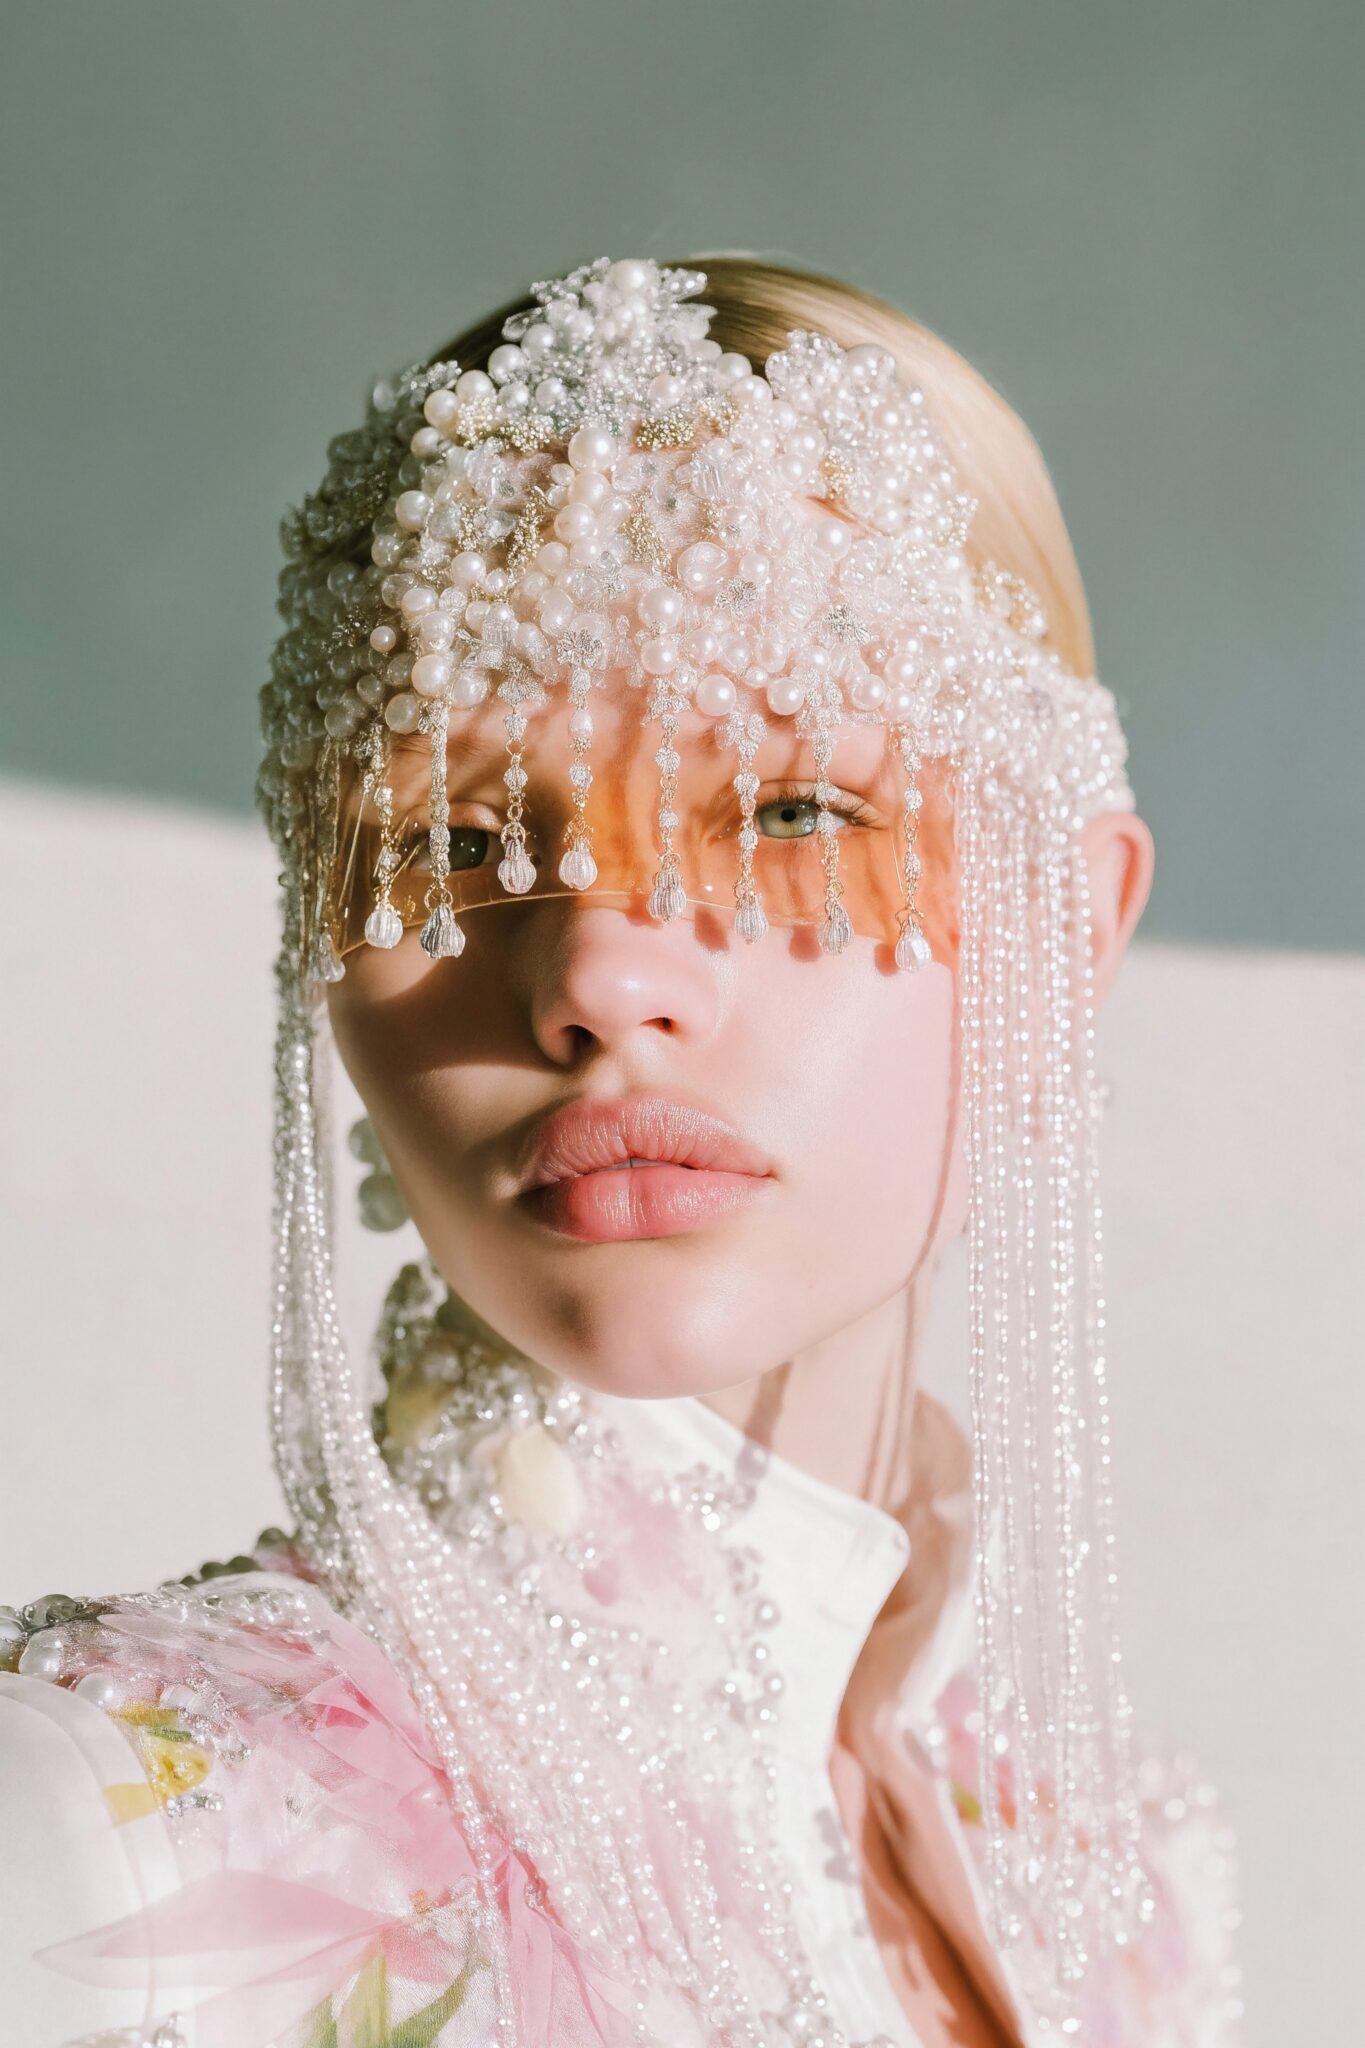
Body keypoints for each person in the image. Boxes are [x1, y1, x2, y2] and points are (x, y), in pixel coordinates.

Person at [0, 255, 1243, 2047]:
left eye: (795, 811)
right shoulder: (117, 1827)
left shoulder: (1108, 1884)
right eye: (453, 834)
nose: (595, 971)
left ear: (1060, 923)